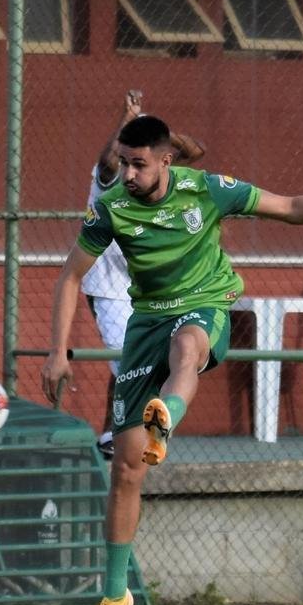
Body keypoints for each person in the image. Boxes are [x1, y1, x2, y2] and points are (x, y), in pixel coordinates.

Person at [42, 115, 303, 605]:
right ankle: (115, 596)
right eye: (123, 162)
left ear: (166, 160)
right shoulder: (111, 208)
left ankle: (168, 418)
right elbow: (71, 275)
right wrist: (56, 352)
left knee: (190, 347)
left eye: (138, 164)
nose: (128, 174)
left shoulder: (207, 190)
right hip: (146, 322)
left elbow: (289, 207)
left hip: (205, 306)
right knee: (127, 472)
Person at [81, 90, 206, 459]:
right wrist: (127, 120)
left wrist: (159, 133)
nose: (131, 166)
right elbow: (107, 159)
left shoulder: (158, 174)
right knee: (133, 365)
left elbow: (197, 150)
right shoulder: (111, 174)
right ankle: (136, 434)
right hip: (109, 287)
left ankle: (111, 433)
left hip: (146, 286)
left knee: (129, 363)